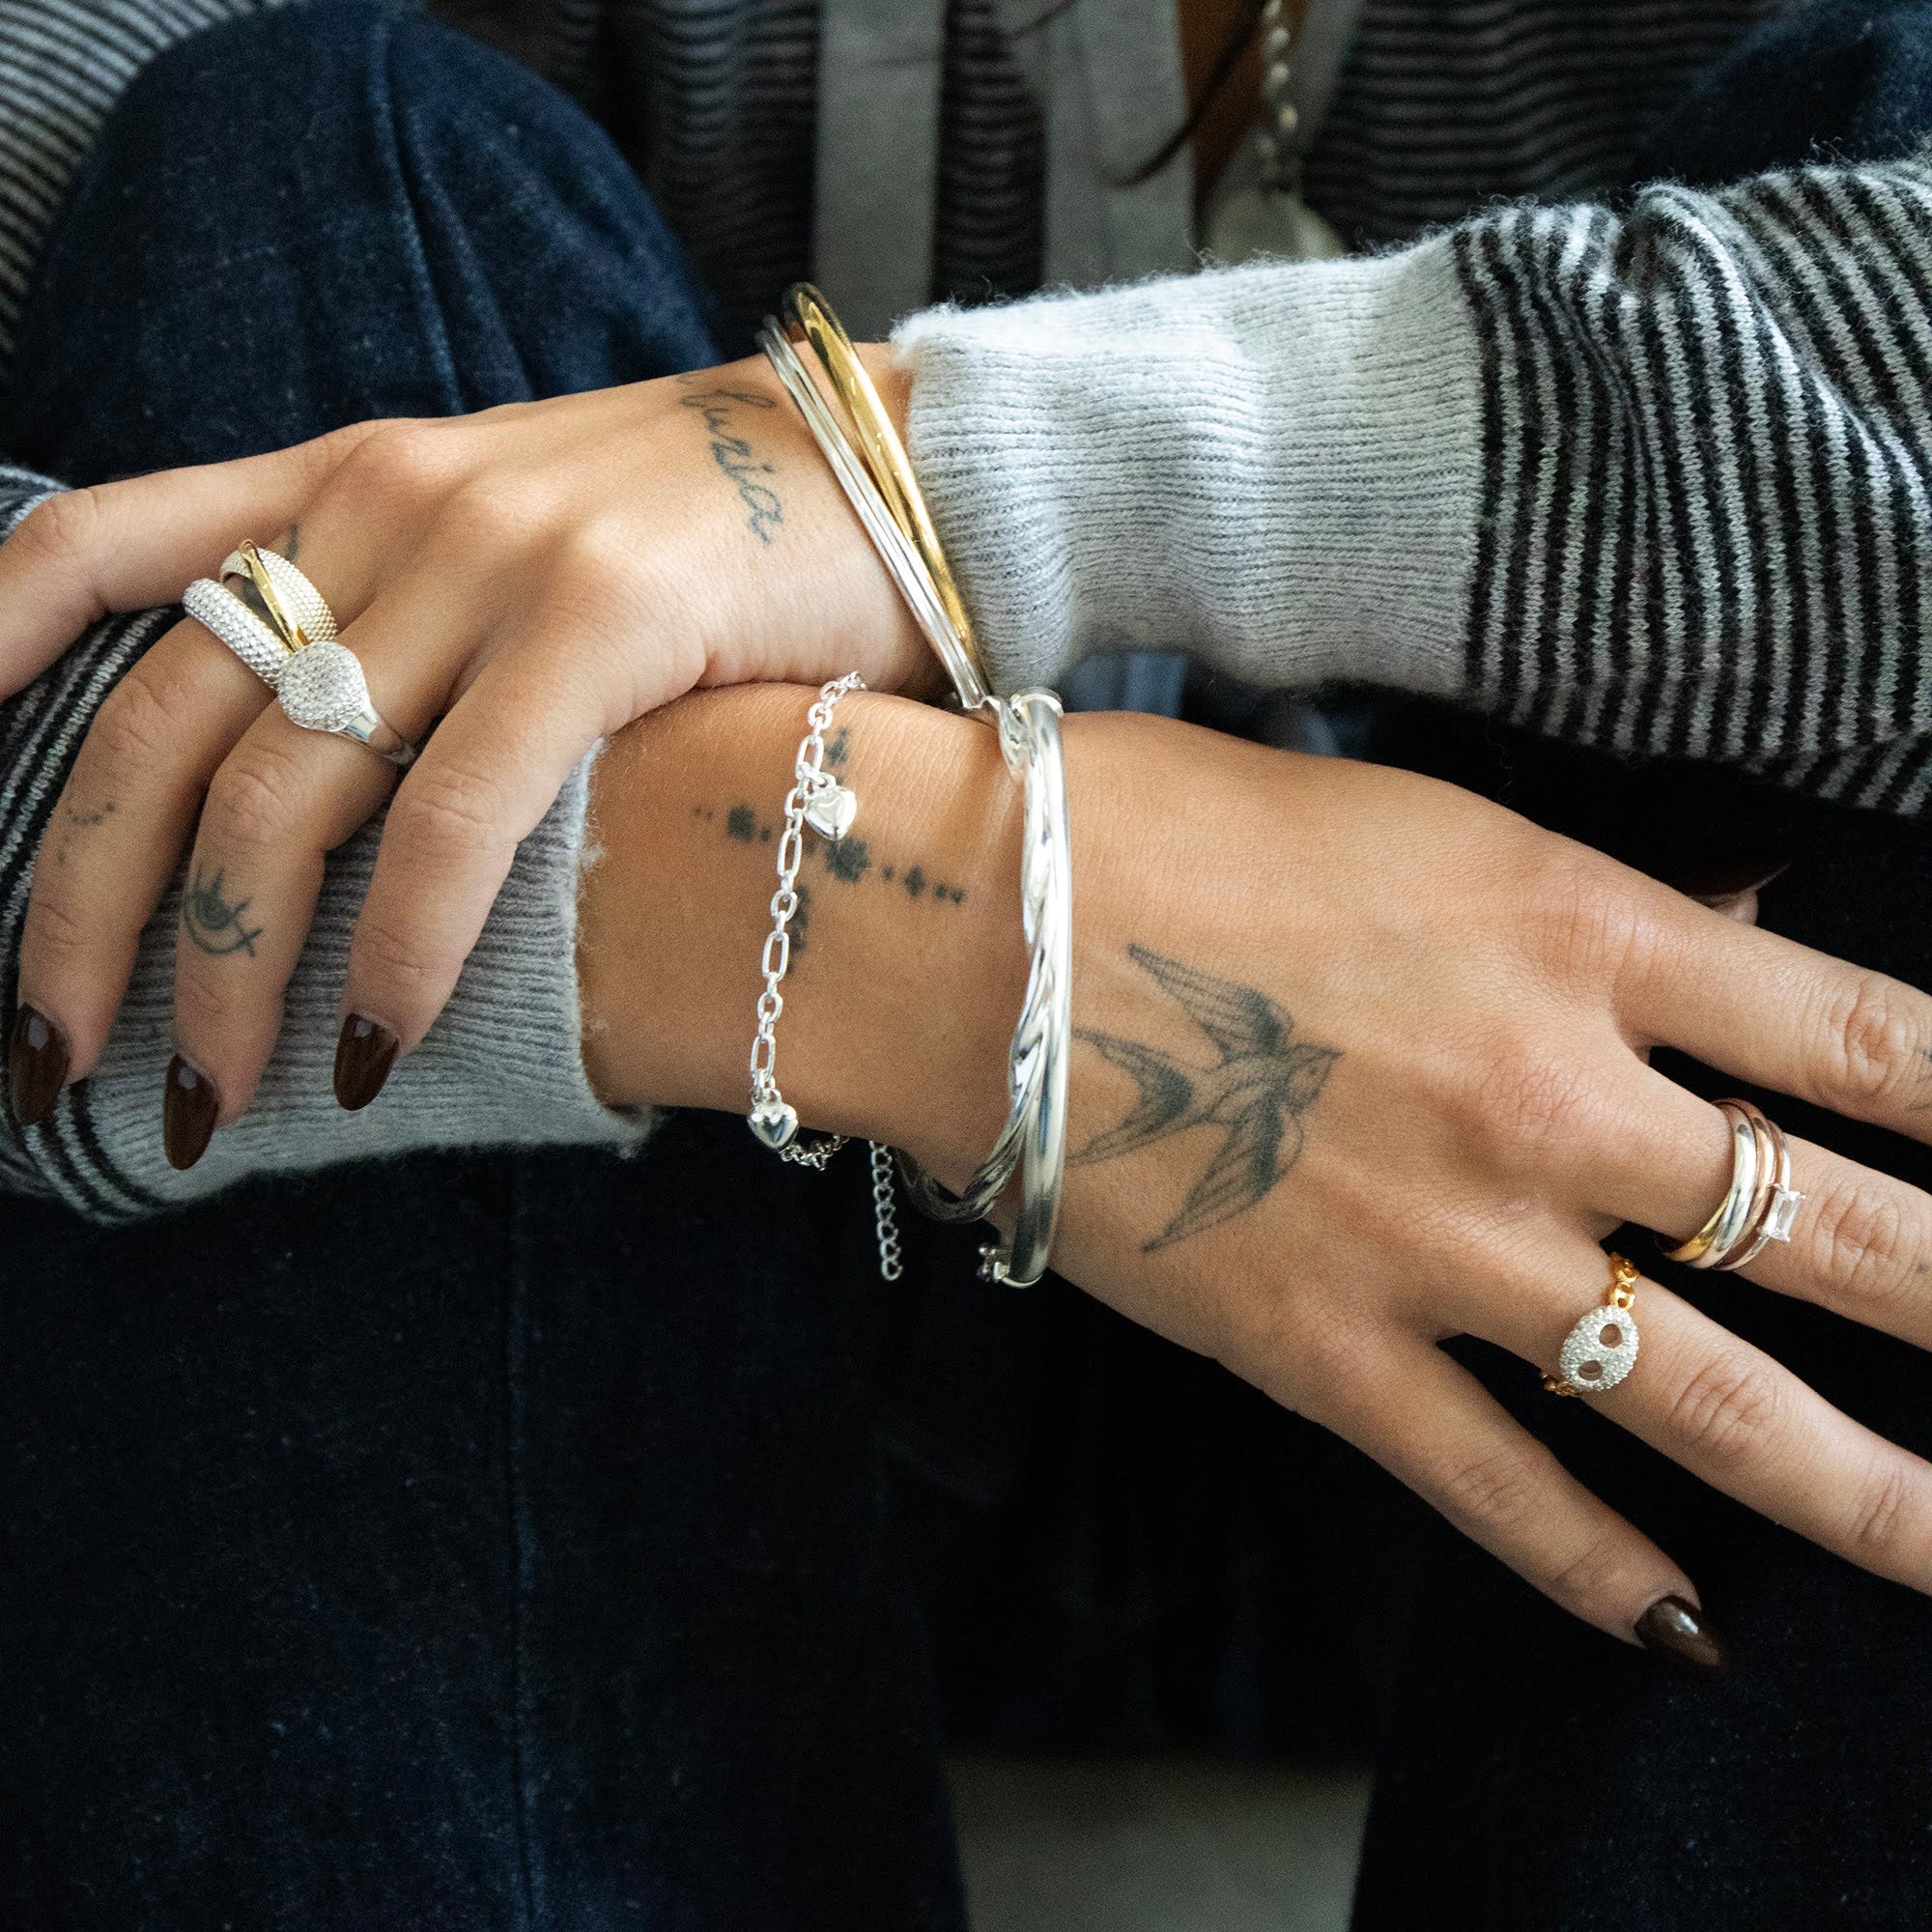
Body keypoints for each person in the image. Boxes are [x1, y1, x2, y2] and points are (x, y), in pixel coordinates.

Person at [8, 2, 1932, 1926]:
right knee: (303, 166)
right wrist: (932, 911)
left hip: (1616, 1313)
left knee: (1886, 94)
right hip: (687, 1294)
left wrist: (972, 466)